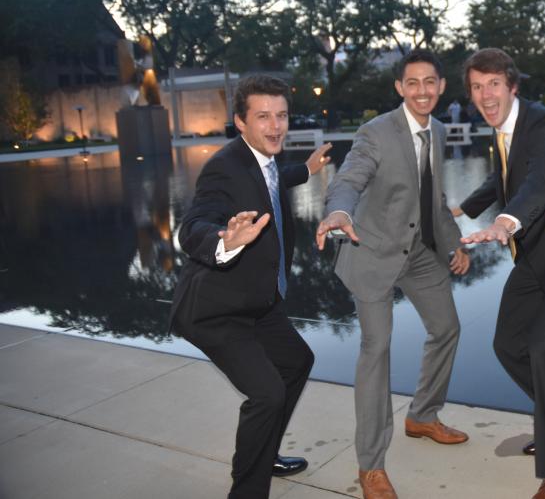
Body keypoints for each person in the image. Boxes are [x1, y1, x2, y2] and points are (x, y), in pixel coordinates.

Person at [315, 48, 471, 499]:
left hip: (421, 250)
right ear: (399, 88)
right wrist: (339, 211)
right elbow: (349, 179)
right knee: (376, 348)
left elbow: (435, 198)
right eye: (412, 83)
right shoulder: (375, 133)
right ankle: (371, 466)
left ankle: (422, 415)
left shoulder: (438, 130)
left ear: (441, 87)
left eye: (430, 83)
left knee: (447, 329)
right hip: (374, 250)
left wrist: (454, 243)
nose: (422, 91)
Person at [168, 74, 333, 499]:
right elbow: (193, 225)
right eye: (263, 117)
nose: (275, 126)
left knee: (296, 361)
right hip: (217, 310)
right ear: (240, 123)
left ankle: (267, 452)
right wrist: (223, 240)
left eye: (281, 115)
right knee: (267, 393)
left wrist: (308, 169)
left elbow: (275, 178)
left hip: (258, 302)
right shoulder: (223, 167)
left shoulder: (265, 157)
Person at [456, 48, 545, 498]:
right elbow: (506, 176)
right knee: (507, 344)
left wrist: (505, 221)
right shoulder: (504, 128)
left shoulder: (540, 122)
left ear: (513, 86)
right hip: (533, 256)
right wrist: (465, 208)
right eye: (477, 86)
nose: (484, 94)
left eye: (493, 83)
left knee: (542, 349)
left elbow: (541, 177)